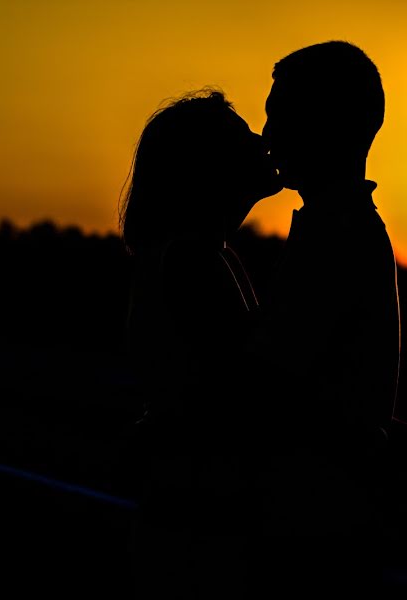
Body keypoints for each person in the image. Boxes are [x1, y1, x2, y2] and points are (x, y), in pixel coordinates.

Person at [243, 40, 403, 596]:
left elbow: (269, 387)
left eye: (278, 117)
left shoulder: (334, 238)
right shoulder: (344, 227)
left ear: (322, 124)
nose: (266, 137)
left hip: (312, 532)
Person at [120, 88, 282, 599]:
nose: (262, 142)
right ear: (206, 169)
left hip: (185, 514)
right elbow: (244, 391)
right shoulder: (191, 260)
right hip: (202, 531)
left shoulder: (196, 253)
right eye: (242, 138)